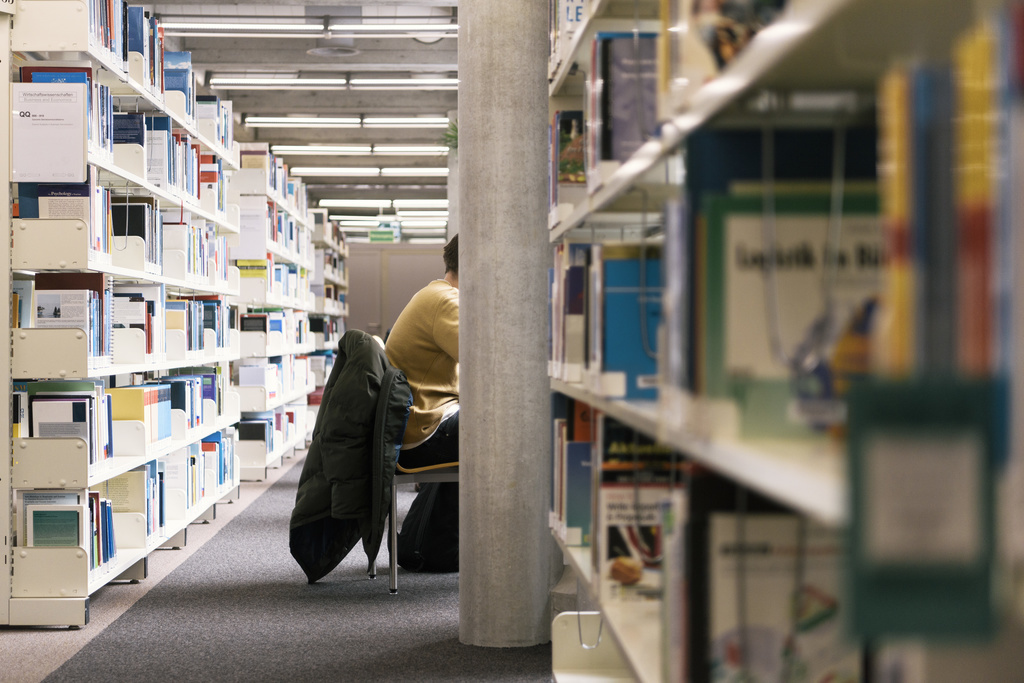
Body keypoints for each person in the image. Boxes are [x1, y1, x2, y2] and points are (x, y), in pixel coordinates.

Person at [384, 234, 460, 469]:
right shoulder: (447, 301)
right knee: (513, 422)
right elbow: (486, 363)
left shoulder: (434, 293)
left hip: (415, 425)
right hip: (423, 433)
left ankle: (438, 508)